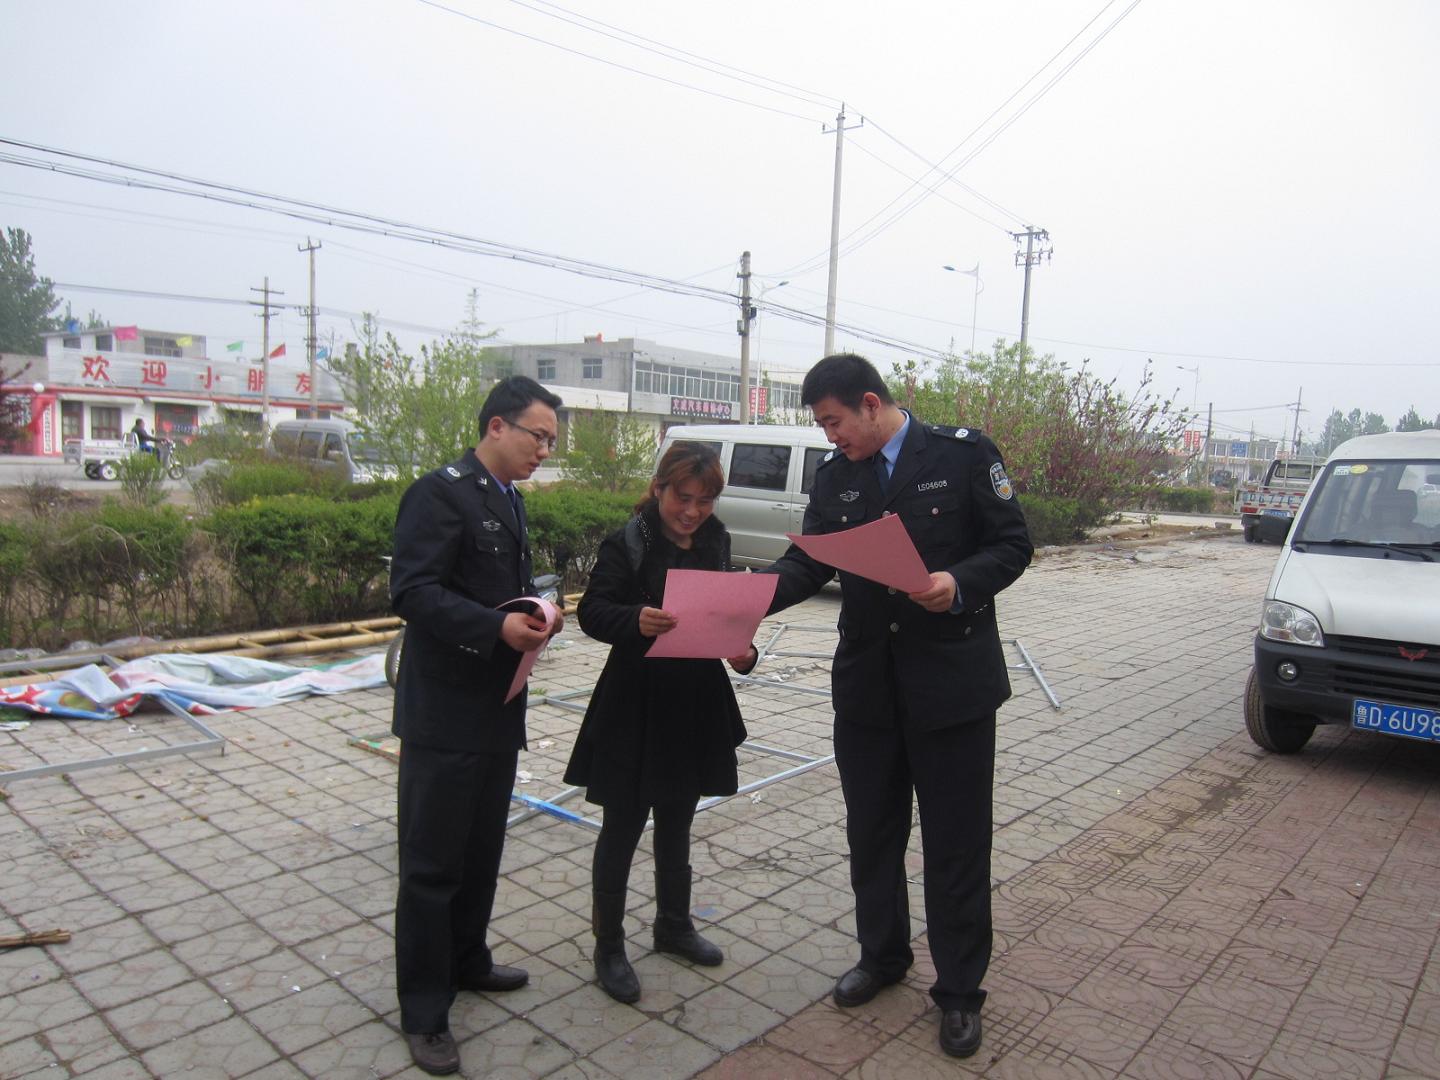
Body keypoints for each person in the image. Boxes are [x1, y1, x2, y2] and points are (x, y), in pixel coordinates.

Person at [763, 353, 1032, 1060]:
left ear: (872, 404)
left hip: (953, 688)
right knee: (872, 836)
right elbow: (809, 562)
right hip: (868, 690)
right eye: (822, 426)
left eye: (834, 422)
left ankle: (960, 992)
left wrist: (957, 581)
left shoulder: (962, 455)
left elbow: (1013, 544)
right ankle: (882, 958)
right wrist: (746, 600)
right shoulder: (837, 476)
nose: (830, 438)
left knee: (956, 845)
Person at [388, 375, 564, 1076]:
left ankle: (468, 960)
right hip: (445, 715)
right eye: (537, 436)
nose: (544, 450)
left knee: (482, 849)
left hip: (497, 708)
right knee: (432, 864)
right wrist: (497, 627)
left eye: (551, 440)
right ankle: (425, 1010)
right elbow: (413, 591)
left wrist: (532, 622)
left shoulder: (507, 500)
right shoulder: (439, 493)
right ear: (496, 425)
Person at [563, 443, 759, 1003]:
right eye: (682, 497)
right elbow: (592, 611)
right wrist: (635, 619)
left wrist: (742, 652)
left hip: (694, 700)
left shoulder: (717, 540)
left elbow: (724, 614)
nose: (692, 511)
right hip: (634, 702)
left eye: (704, 500)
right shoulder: (629, 541)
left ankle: (674, 926)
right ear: (659, 488)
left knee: (678, 821)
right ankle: (608, 945)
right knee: (622, 827)